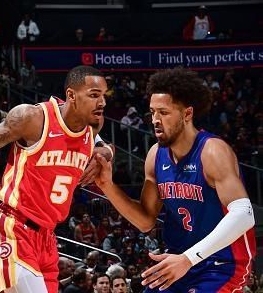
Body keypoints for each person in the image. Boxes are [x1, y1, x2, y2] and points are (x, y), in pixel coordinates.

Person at [94, 67, 256, 292]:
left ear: (187, 114)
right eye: (152, 112)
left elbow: (245, 214)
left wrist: (188, 259)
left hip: (220, 265)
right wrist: (107, 186)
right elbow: (145, 221)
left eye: (164, 112)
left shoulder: (212, 151)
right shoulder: (155, 155)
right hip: (177, 262)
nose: (155, 120)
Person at [0, 65, 112, 293]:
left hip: (47, 238)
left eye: (103, 95)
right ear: (71, 95)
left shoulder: (92, 125)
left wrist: (105, 152)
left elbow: (104, 144)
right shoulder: (32, 118)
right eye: (94, 95)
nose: (101, 102)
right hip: (14, 228)